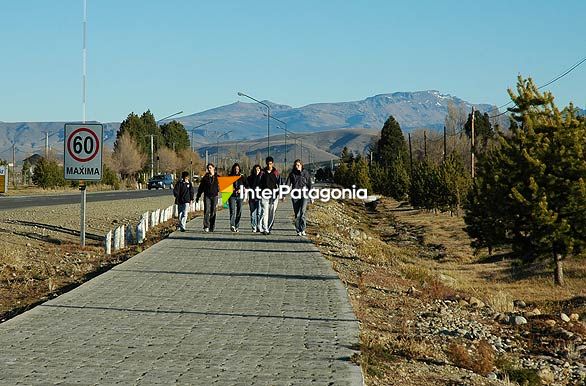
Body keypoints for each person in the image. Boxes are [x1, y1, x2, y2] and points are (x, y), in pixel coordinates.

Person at [286, 159, 312, 236]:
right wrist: (283, 194)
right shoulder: (292, 174)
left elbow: (309, 184)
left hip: (304, 194)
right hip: (295, 195)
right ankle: (298, 230)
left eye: (298, 165)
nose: (297, 166)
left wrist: (312, 196)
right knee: (297, 213)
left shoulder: (305, 173)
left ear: (301, 165)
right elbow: (287, 185)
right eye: (296, 165)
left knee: (303, 212)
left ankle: (303, 229)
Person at [196, 163, 220, 232]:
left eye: (210, 168)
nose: (209, 169)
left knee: (213, 211)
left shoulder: (218, 177)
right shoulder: (205, 178)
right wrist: (198, 196)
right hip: (207, 196)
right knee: (207, 211)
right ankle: (206, 226)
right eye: (208, 168)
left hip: (215, 196)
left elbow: (224, 185)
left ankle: (212, 226)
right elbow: (201, 187)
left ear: (213, 168)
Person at [259, 156, 280, 235]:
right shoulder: (262, 172)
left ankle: (269, 226)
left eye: (270, 164)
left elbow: (279, 183)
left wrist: (281, 193)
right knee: (265, 212)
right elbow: (259, 183)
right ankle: (265, 228)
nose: (269, 165)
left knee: (272, 212)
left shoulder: (276, 173)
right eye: (267, 164)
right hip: (264, 194)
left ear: (272, 164)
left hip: (274, 195)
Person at [228, 163, 246, 232]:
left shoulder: (242, 177)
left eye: (237, 169)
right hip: (231, 196)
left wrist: (241, 189)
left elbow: (247, 185)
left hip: (240, 195)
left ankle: (237, 226)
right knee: (232, 211)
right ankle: (232, 225)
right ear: (233, 169)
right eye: (235, 169)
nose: (236, 170)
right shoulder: (230, 176)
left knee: (239, 211)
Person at [246, 164, 263, 233]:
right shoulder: (250, 178)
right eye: (255, 170)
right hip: (252, 198)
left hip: (259, 197)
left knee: (259, 213)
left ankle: (259, 225)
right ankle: (254, 227)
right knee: (253, 213)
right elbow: (247, 186)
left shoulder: (262, 178)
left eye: (258, 170)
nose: (257, 171)